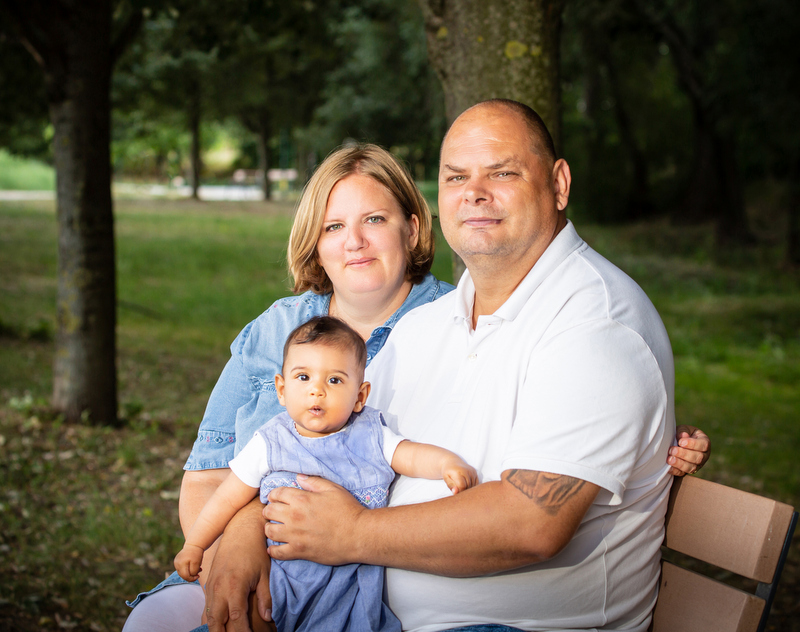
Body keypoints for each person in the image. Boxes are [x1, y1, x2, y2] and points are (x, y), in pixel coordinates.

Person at [123, 140, 710, 632]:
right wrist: (238, 543)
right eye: (334, 226)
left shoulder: (449, 321)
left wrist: (650, 436)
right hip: (248, 557)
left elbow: (537, 421)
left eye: (374, 220)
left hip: (353, 581)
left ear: (412, 226)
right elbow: (208, 473)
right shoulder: (276, 329)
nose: (354, 241)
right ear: (315, 242)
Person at [261, 99, 698, 632]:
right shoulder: (425, 326)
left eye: (503, 173)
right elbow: (329, 445)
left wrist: (352, 534)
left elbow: (531, 522)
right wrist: (244, 534)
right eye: (456, 177)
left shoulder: (597, 325)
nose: (474, 192)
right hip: (364, 613)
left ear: (559, 184)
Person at [174, 315, 477, 632]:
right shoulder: (269, 441)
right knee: (250, 617)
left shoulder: (370, 434)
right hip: (278, 577)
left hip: (347, 586)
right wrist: (195, 545)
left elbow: (409, 454)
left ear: (359, 396)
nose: (317, 390)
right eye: (303, 377)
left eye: (334, 380)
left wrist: (446, 464)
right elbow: (226, 499)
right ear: (282, 389)